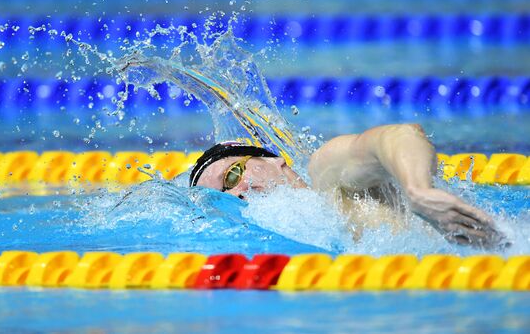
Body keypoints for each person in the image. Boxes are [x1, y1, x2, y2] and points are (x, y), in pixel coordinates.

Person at [189, 123, 506, 249]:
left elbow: (398, 136)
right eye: (223, 197)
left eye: (232, 176)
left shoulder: (328, 175)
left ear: (274, 160)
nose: (237, 192)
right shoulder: (305, 241)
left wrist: (418, 191)